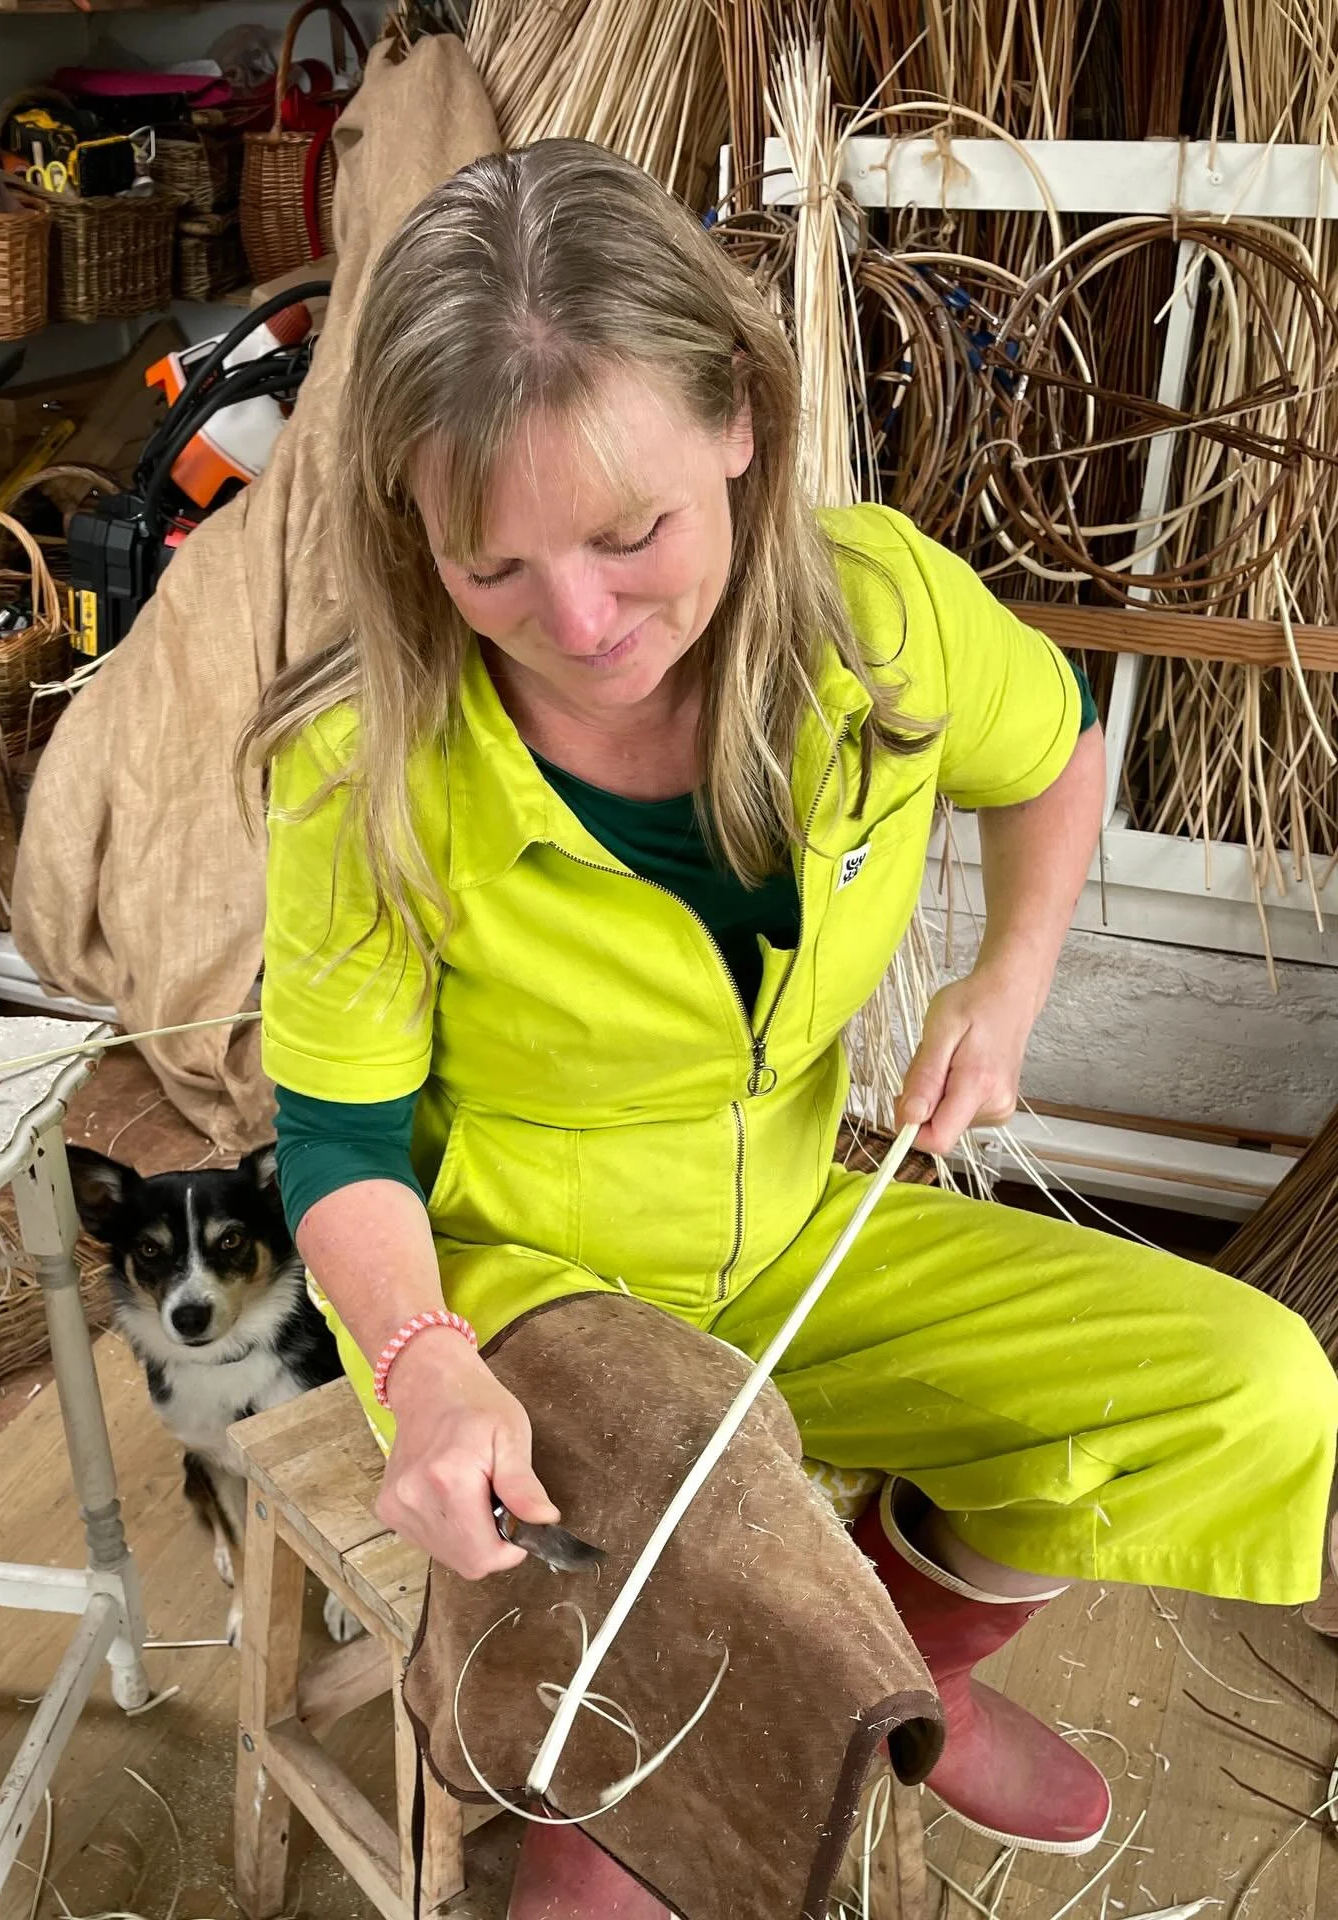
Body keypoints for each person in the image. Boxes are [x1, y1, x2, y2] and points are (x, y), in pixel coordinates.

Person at [245, 139, 1338, 1919]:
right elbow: (344, 1140)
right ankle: (667, 1799)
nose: (582, 626)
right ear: (410, 532)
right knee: (644, 1753)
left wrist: (1013, 980)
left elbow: (1055, 743)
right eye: (492, 567)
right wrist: (430, 1360)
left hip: (791, 1224)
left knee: (1248, 1392)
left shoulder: (879, 615)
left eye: (630, 532)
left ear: (744, 420)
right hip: (517, 1288)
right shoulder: (365, 772)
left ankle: (896, 1684)